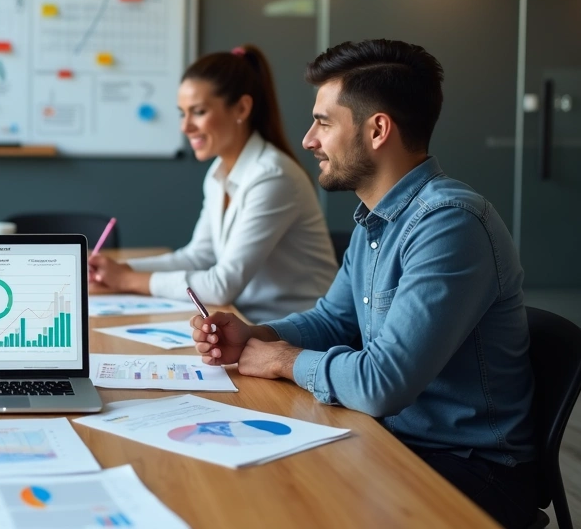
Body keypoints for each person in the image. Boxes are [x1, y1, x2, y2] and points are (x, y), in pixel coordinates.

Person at [192, 39, 537, 528]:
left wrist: (283, 360)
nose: (309, 139)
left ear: (378, 130)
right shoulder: (377, 220)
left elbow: (382, 384)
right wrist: (258, 335)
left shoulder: (451, 224)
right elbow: (334, 320)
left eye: (324, 123)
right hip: (391, 440)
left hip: (467, 471)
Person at [90, 44, 336, 323]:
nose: (185, 127)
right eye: (183, 113)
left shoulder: (273, 176)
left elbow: (221, 285)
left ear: (242, 108)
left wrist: (128, 280)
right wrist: (118, 269)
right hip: (249, 324)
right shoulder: (219, 172)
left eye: (198, 112)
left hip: (299, 334)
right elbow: (198, 256)